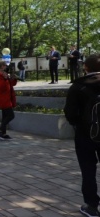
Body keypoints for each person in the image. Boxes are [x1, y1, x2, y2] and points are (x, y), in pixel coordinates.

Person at [64, 54, 100, 217]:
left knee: (88, 170)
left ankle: (91, 206)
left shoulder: (78, 86)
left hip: (85, 134)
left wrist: (79, 124)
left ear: (86, 67)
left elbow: (70, 113)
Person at [0, 61, 17, 140]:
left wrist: (13, 78)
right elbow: (1, 86)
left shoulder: (4, 74)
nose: (6, 68)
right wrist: (5, 78)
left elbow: (12, 84)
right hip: (3, 99)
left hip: (8, 97)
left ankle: (3, 133)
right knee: (11, 115)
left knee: (5, 117)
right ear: (1, 67)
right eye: (4, 66)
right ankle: (0, 130)